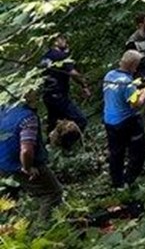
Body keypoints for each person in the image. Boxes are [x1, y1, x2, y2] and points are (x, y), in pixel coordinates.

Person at [0, 89, 63, 221]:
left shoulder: (4, 109)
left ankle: (16, 229)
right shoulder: (27, 118)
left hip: (3, 164)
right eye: (34, 92)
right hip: (18, 164)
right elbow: (26, 150)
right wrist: (27, 167)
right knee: (52, 193)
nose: (37, 95)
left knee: (11, 200)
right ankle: (43, 231)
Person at [103, 50, 145, 188]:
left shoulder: (110, 75)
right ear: (134, 66)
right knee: (138, 150)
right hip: (125, 121)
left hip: (109, 119)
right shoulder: (127, 83)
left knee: (116, 152)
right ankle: (129, 180)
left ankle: (116, 182)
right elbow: (136, 104)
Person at [39, 34, 90, 134]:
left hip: (48, 96)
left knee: (54, 124)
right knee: (81, 121)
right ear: (55, 42)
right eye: (61, 39)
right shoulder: (60, 57)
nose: (65, 41)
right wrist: (84, 85)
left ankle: (52, 145)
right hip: (59, 95)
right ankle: (69, 144)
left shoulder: (45, 57)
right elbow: (73, 73)